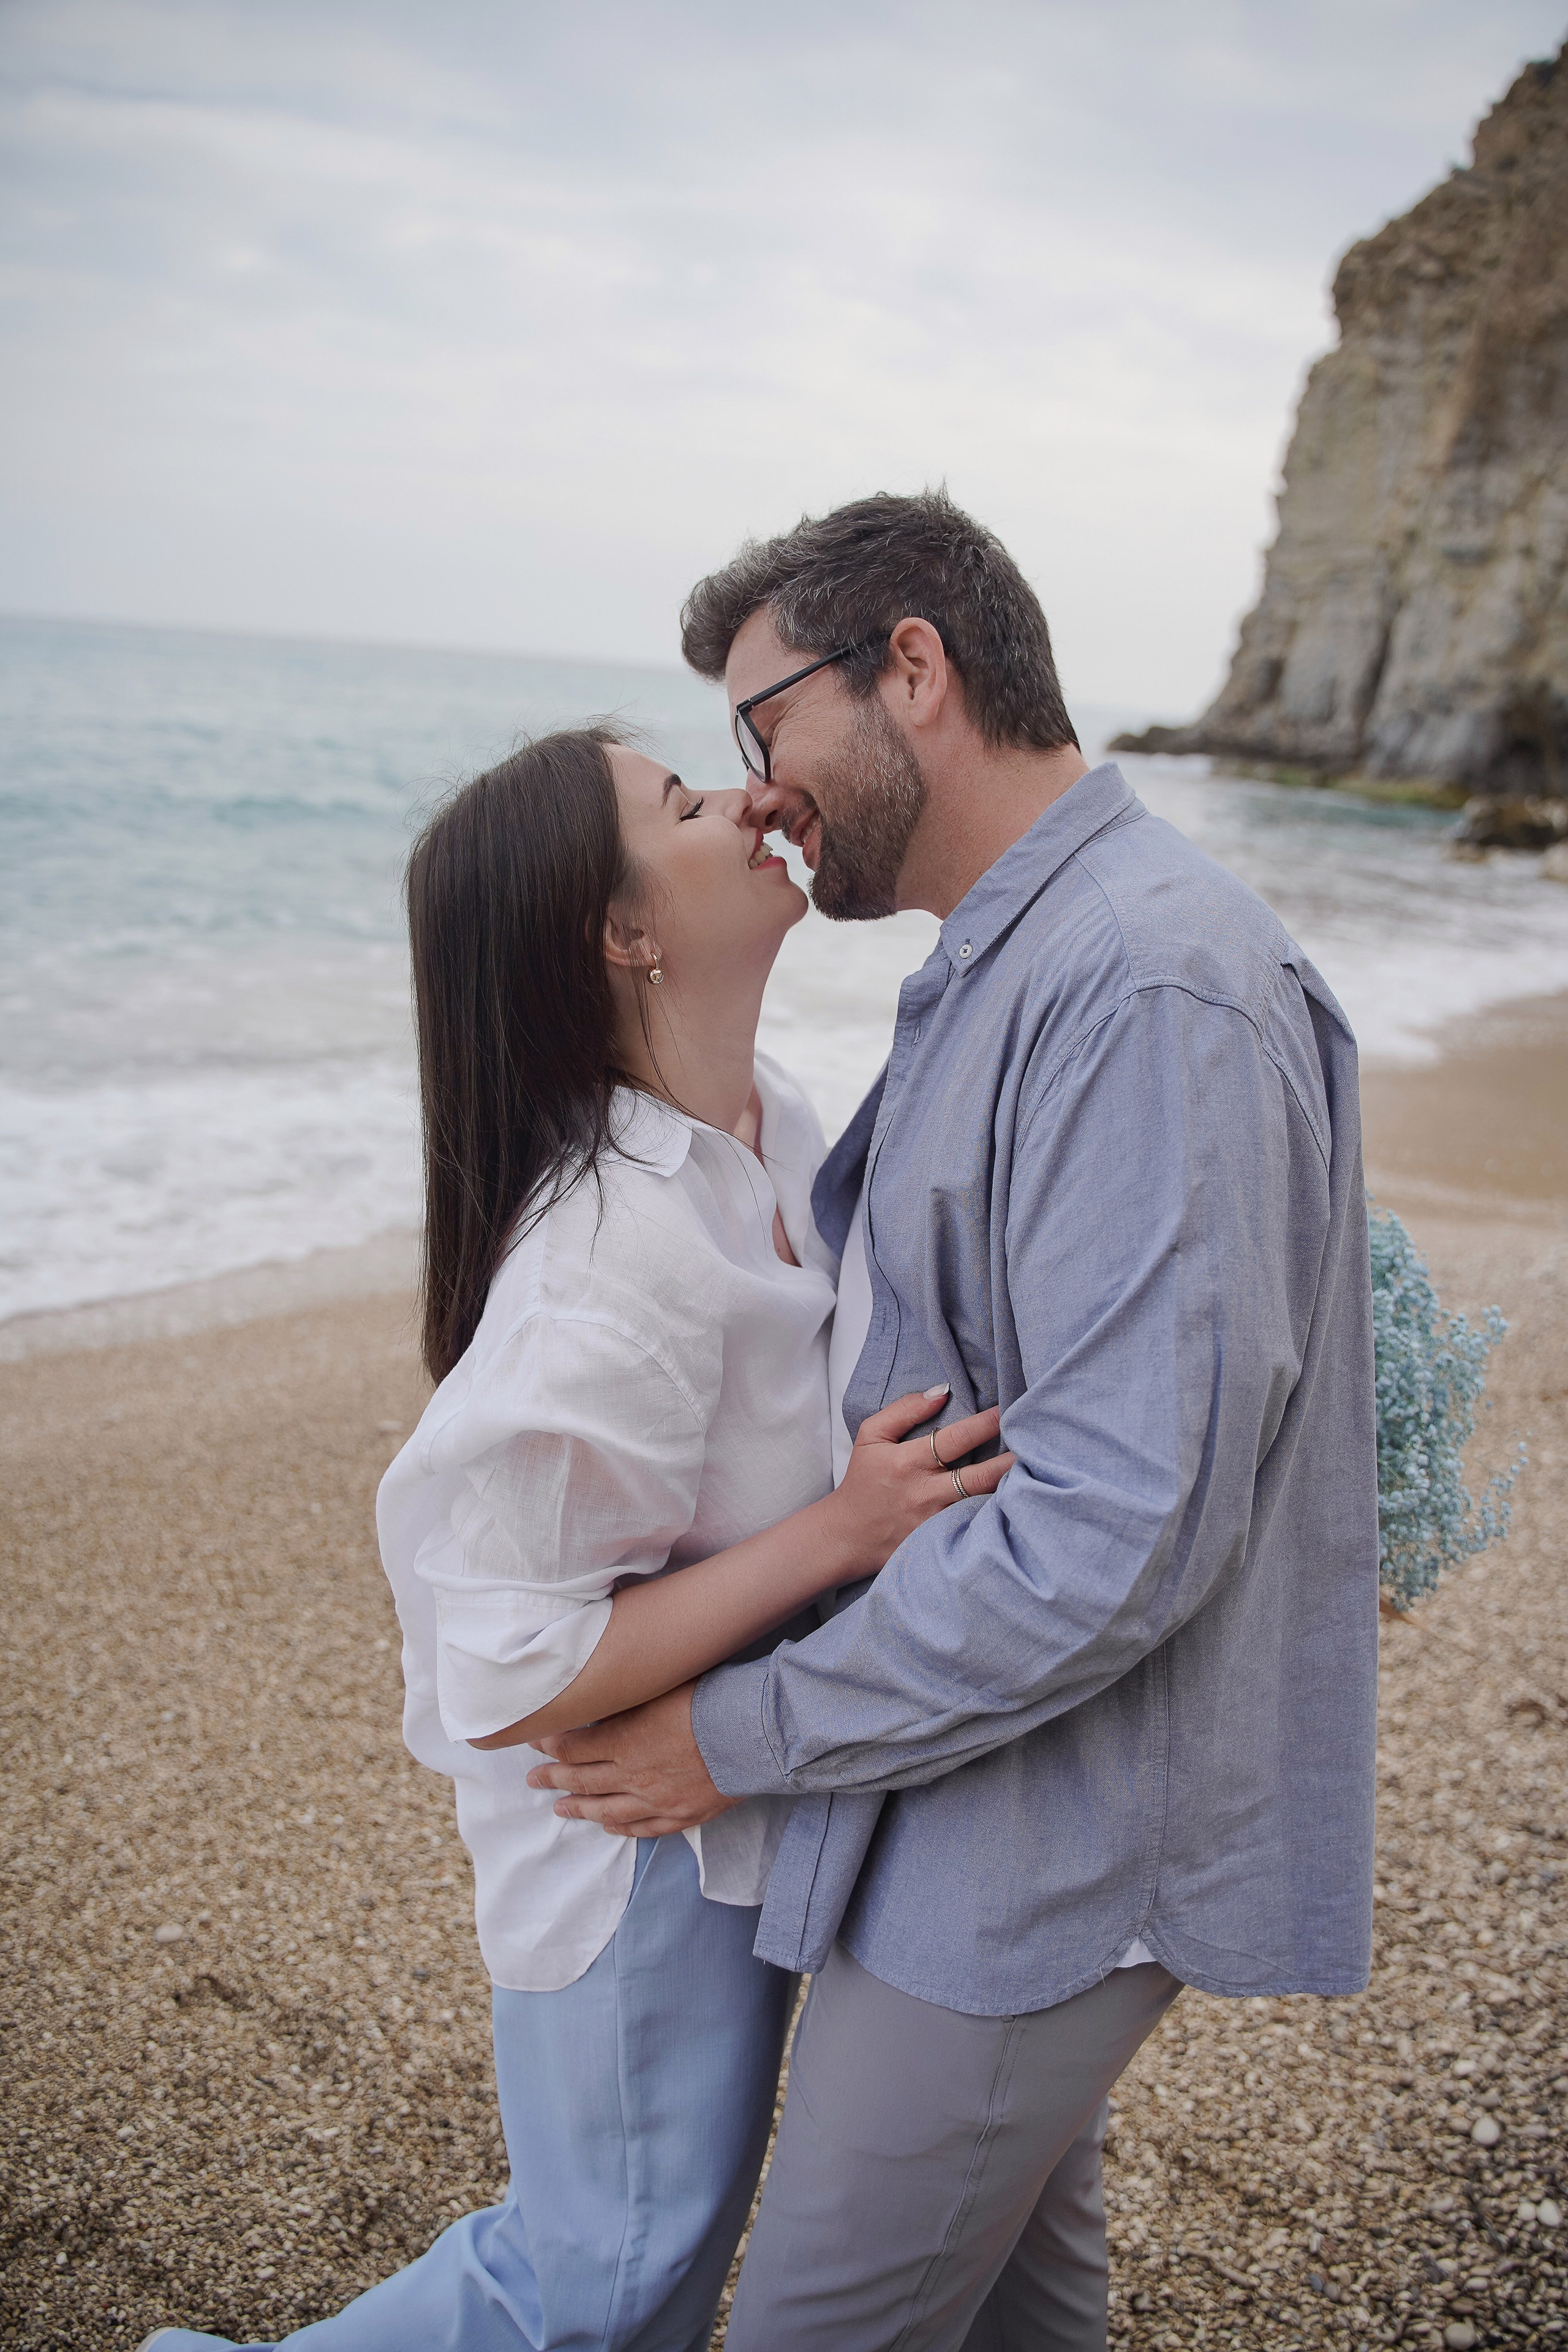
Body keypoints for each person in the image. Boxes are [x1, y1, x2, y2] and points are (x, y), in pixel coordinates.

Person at [527, 493, 1382, 2352]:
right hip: (970, 1786)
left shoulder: (1146, 979)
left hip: (1055, 1838)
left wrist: (733, 1734)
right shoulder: (1013, 955)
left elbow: (1112, 1529)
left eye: (766, 727)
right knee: (1013, 2324)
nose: (759, 791)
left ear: (911, 666)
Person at [138, 724, 1011, 2352]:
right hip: (622, 1855)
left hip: (732, 1796)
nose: (750, 795)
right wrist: (840, 1534)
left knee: (635, 2272)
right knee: (599, 2285)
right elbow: (511, 1668)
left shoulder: (776, 1125)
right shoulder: (608, 1264)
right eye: (682, 803)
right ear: (623, 933)